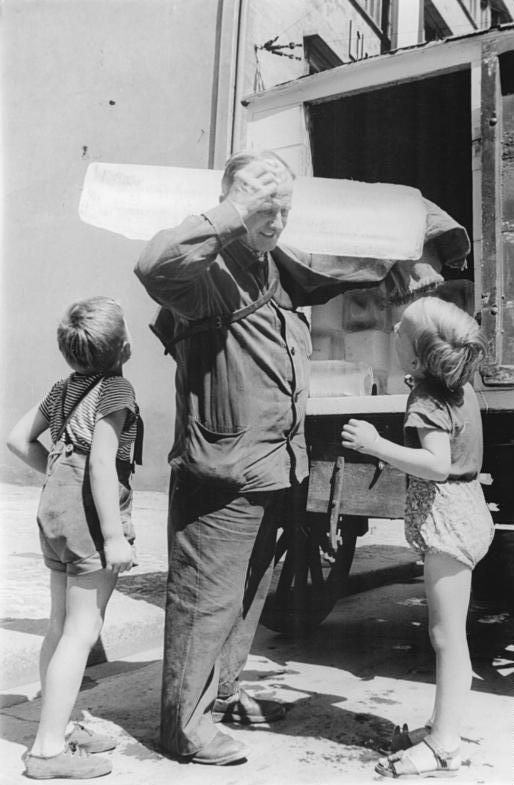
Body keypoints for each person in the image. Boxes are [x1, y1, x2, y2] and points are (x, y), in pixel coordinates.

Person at [134, 151, 469, 766]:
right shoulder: (203, 274)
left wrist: (410, 246)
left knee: (246, 597)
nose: (275, 220)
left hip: (272, 464)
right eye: (264, 207)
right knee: (206, 600)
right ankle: (183, 727)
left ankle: (222, 695)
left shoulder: (269, 267)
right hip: (223, 470)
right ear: (234, 200)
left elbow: (331, 270)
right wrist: (234, 212)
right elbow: (154, 264)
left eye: (283, 209)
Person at [341, 296, 494, 779]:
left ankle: (445, 744)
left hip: (448, 520)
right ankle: (441, 726)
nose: (392, 331)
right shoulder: (460, 387)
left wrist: (375, 445)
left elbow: (436, 465)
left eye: (401, 329)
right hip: (466, 511)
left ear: (417, 356)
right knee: (449, 635)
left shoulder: (427, 399)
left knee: (446, 638)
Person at [7, 296, 141, 780]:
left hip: (54, 510)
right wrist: (114, 537)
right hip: (89, 515)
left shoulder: (64, 388)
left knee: (60, 624)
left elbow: (17, 439)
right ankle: (47, 751)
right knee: (82, 631)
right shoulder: (116, 390)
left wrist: (58, 473)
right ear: (123, 346)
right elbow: (102, 465)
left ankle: (59, 728)